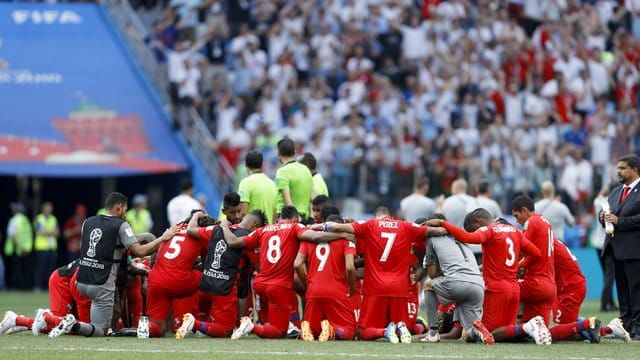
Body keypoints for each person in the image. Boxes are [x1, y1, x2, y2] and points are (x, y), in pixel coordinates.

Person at [48, 192, 177, 338]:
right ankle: (72, 324)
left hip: (81, 281)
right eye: (125, 210)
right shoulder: (121, 225)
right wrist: (164, 238)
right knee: (100, 331)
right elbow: (140, 251)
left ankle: (69, 322)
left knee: (98, 324)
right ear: (119, 206)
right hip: (101, 283)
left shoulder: (88, 222)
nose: (125, 214)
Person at [315, 206, 446, 344]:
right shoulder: (405, 226)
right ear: (391, 216)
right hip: (399, 290)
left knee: (362, 332)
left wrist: (316, 227)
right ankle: (400, 328)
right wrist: (443, 225)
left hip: (375, 289)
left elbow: (335, 227)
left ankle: (385, 331)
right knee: (406, 327)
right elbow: (437, 231)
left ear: (375, 216)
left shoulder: (370, 225)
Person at [220, 206, 352, 339]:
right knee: (279, 331)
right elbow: (316, 237)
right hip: (278, 286)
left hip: (260, 284)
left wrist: (224, 226)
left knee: (270, 323)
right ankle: (252, 326)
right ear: (294, 219)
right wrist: (342, 234)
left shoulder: (262, 230)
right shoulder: (294, 227)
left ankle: (266, 325)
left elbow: (233, 242)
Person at [429, 210, 545, 344]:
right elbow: (536, 253)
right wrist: (518, 266)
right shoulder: (514, 230)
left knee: (484, 335)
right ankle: (527, 328)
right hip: (514, 289)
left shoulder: (489, 230)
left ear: (478, 222)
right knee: (506, 335)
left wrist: (443, 223)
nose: (476, 232)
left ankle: (527, 326)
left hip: (496, 290)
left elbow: (467, 238)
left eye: (474, 229)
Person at [176, 210, 266, 339]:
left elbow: (190, 230)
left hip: (207, 283)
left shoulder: (215, 229)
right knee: (225, 330)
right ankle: (194, 324)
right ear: (255, 226)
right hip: (225, 288)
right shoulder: (248, 238)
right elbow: (259, 268)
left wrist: (196, 215)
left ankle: (203, 325)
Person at [140, 210, 218, 338]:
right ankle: (208, 320)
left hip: (156, 280)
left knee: (159, 329)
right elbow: (207, 265)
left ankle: (147, 327)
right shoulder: (200, 234)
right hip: (178, 281)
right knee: (210, 274)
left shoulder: (173, 228)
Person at [422, 215, 492, 344]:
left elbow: (432, 274)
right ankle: (476, 331)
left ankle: (433, 333)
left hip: (456, 283)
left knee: (427, 284)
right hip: (477, 285)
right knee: (467, 336)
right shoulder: (461, 238)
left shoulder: (431, 240)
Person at [295, 214, 357, 341]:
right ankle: (332, 330)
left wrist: (308, 283)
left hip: (314, 291)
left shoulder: (308, 240)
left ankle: (307, 330)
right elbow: (350, 267)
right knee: (349, 332)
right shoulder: (347, 240)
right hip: (336, 291)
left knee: (313, 330)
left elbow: (297, 264)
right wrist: (352, 287)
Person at [600, 154, 640, 339]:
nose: (619, 171)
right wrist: (603, 217)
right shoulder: (616, 191)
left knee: (636, 290)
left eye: (623, 168)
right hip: (616, 248)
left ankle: (638, 327)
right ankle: (626, 325)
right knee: (623, 291)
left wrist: (620, 221)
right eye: (618, 168)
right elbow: (608, 212)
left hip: (635, 249)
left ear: (634, 169)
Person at [511, 195, 556, 326]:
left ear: (524, 210)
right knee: (541, 330)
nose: (517, 221)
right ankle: (584, 325)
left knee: (502, 288)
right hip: (550, 286)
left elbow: (522, 249)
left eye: (516, 215)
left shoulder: (531, 222)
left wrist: (516, 266)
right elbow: (537, 252)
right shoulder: (546, 222)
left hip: (535, 283)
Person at [591, 187, 617, 312]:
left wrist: (605, 188)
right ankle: (604, 304)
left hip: (597, 243)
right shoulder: (613, 203)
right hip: (607, 243)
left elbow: (599, 194)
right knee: (610, 275)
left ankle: (611, 302)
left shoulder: (598, 202)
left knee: (606, 274)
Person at [274, 138, 313, 219]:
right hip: (304, 217)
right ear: (295, 152)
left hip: (288, 217)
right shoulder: (306, 169)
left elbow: (287, 199)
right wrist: (311, 218)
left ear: (278, 153)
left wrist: (295, 217)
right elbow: (312, 197)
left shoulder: (282, 172)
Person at [237, 151, 278, 224]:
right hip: (268, 232)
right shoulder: (273, 184)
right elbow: (274, 214)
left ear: (245, 164)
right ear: (263, 164)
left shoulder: (245, 182)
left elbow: (243, 212)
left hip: (251, 231)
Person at [4, 202, 33, 290]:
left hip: (16, 249)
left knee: (17, 269)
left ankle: (17, 286)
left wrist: (19, 248)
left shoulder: (14, 220)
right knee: (25, 268)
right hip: (26, 248)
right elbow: (29, 235)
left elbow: (13, 236)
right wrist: (26, 248)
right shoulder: (26, 220)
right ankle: (26, 286)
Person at [33, 201, 59, 291]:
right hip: (42, 248)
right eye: (47, 207)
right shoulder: (39, 218)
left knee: (51, 269)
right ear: (43, 209)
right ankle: (38, 286)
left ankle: (49, 287)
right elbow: (41, 232)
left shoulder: (53, 218)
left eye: (50, 208)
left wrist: (47, 231)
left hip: (52, 248)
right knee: (40, 268)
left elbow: (57, 232)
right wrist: (51, 231)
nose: (49, 209)